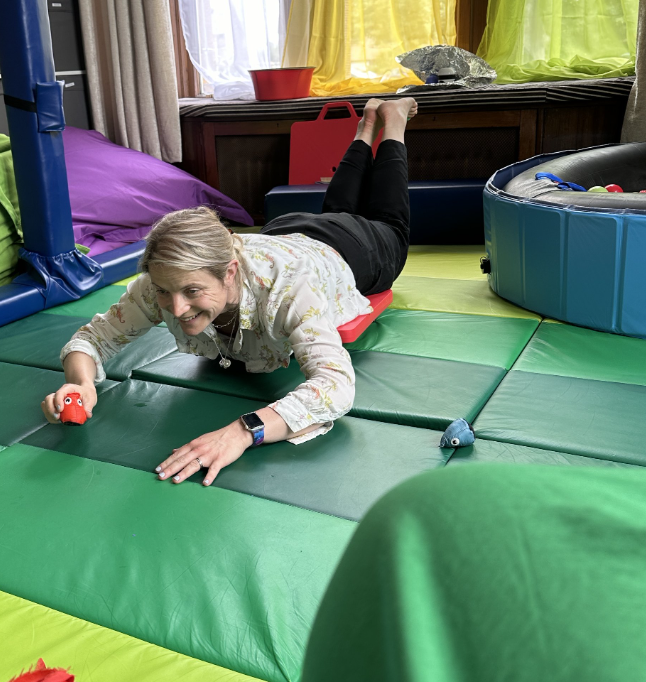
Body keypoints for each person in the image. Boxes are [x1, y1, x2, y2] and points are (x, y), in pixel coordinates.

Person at [42, 96, 417, 486]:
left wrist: (244, 430)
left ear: (229, 272)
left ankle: (392, 122)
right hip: (285, 232)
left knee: (389, 220)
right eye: (166, 292)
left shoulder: (289, 292)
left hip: (352, 250)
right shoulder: (163, 282)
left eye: (191, 291)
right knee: (334, 206)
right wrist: (81, 382)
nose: (177, 306)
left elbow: (335, 387)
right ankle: (362, 129)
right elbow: (92, 338)